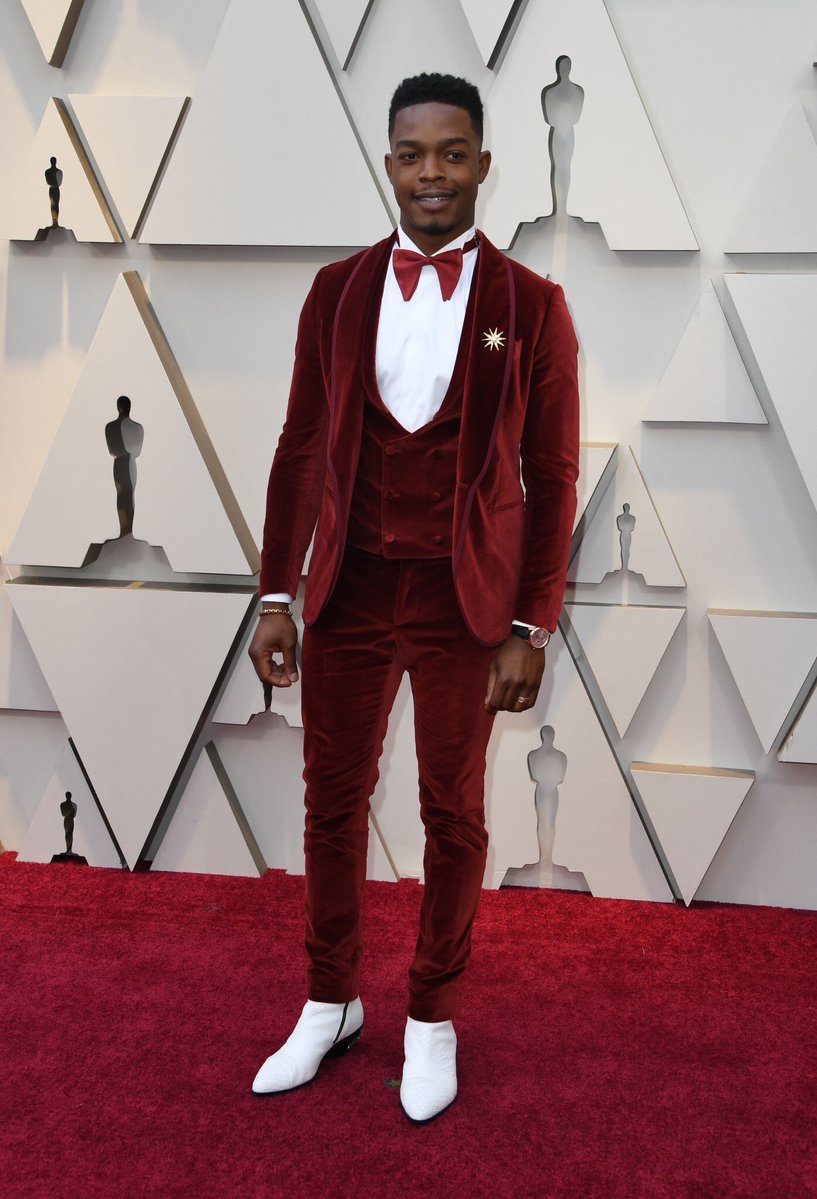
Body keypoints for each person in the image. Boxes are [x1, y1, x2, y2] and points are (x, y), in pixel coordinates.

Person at [248, 73, 579, 1123]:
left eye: (450, 153)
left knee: (452, 812)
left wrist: (532, 624)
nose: (429, 172)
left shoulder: (531, 305)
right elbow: (301, 446)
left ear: (482, 164)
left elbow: (551, 473)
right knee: (329, 803)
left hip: (462, 598)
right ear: (388, 163)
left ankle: (432, 1015)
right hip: (346, 587)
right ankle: (330, 999)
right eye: (410, 154)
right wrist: (274, 592)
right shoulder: (336, 290)